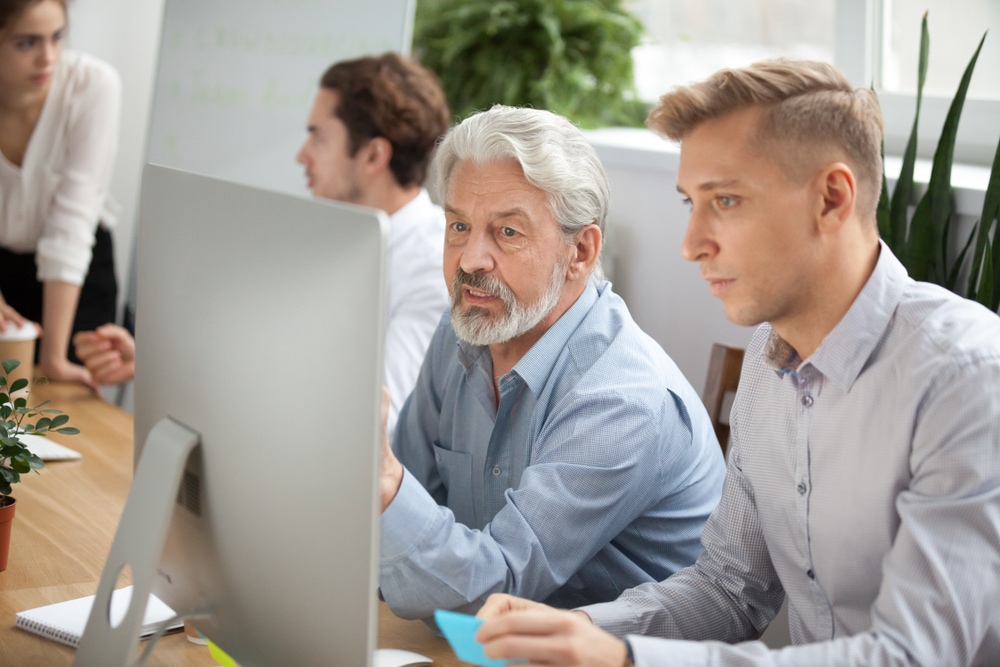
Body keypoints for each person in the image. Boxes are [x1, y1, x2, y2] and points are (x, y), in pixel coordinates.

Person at [473, 60, 1000, 666]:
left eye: (725, 200)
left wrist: (626, 661)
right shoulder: (768, 362)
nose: (691, 243)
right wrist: (583, 633)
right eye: (691, 203)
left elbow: (911, 658)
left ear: (832, 198)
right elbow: (728, 590)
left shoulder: (966, 377)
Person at [378, 105, 726, 622]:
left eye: (508, 233)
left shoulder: (622, 398)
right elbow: (397, 535)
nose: (470, 259)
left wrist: (380, 483)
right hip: (480, 647)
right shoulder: (459, 334)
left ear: (580, 252)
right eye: (458, 225)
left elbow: (498, 593)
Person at [296, 52, 451, 433]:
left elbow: (379, 428)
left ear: (373, 155)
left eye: (318, 137)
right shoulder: (335, 240)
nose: (301, 156)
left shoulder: (434, 269)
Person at [0, 0, 121, 387]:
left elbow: (72, 221)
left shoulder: (93, 86)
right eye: (26, 43)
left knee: (66, 410)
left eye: (57, 37)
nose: (47, 58)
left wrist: (54, 357)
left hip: (76, 272)